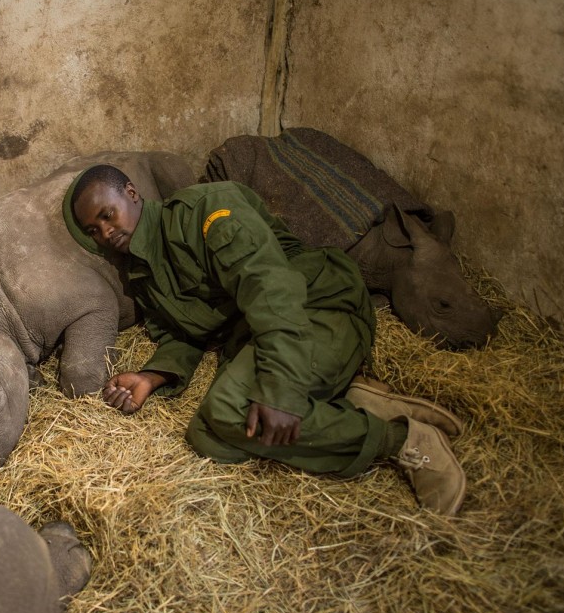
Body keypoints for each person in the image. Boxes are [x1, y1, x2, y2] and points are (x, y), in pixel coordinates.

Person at [62, 165, 467, 515]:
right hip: (262, 335)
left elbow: (269, 285)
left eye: (107, 215)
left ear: (132, 193)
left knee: (228, 410)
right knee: (206, 437)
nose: (106, 232)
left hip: (316, 306)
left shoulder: (205, 210)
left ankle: (404, 440)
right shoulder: (143, 276)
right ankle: (352, 401)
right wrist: (152, 376)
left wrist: (281, 389)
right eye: (94, 230)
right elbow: (183, 333)